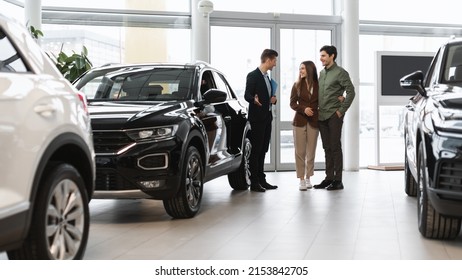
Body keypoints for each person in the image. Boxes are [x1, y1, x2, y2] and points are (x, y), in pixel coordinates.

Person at [314, 45, 355, 191]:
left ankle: (338, 180)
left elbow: (351, 92)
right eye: (321, 56)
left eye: (324, 55)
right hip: (322, 115)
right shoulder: (322, 73)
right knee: (327, 147)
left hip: (333, 115)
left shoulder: (341, 73)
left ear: (332, 56)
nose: (321, 58)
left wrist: (341, 110)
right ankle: (329, 177)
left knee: (335, 147)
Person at [244, 49, 279, 192]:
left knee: (264, 149)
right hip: (257, 119)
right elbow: (247, 94)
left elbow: (270, 98)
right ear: (268, 60)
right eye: (275, 61)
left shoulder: (268, 78)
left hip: (267, 118)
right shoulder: (253, 76)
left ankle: (262, 179)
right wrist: (254, 100)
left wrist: (273, 100)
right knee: (256, 150)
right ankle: (254, 182)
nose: (275, 64)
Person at [290, 61, 319, 191]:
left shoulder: (319, 85)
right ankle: (301, 179)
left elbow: (324, 100)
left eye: (303, 68)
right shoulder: (296, 85)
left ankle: (308, 177)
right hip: (299, 121)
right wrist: (303, 109)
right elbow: (292, 103)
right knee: (300, 151)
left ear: (309, 69)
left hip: (314, 121)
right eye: (300, 68)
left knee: (311, 151)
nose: (301, 71)